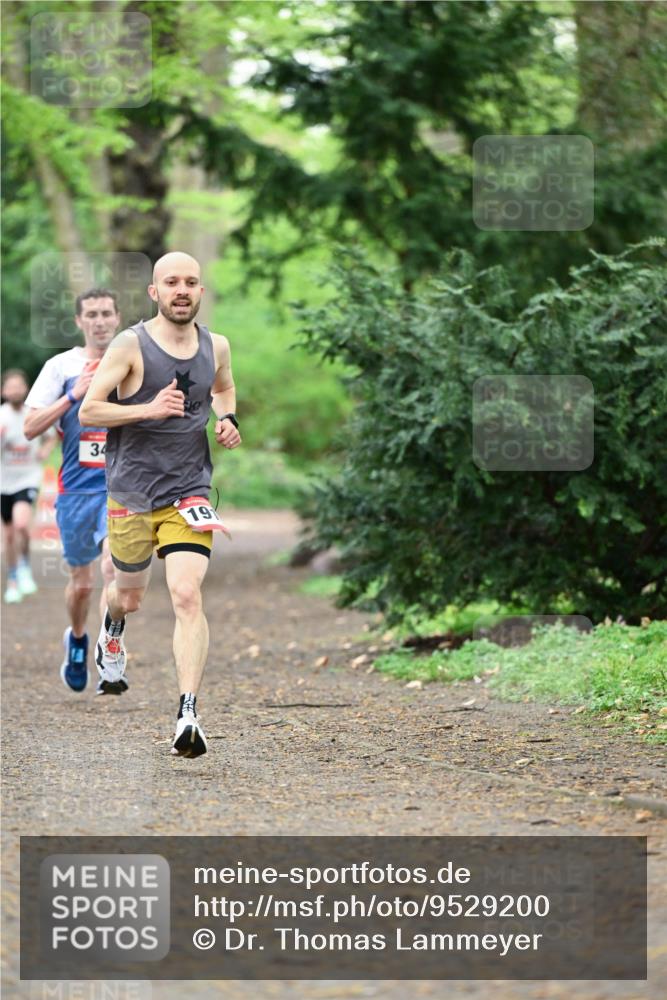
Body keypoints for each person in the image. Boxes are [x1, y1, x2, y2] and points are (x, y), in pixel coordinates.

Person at [79, 251, 241, 758]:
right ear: (155, 291)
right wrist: (147, 409)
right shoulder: (131, 344)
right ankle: (113, 628)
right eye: (171, 281)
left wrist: (230, 420)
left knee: (187, 594)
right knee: (127, 596)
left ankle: (187, 712)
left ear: (200, 291)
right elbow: (90, 409)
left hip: (188, 490)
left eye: (191, 282)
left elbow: (225, 388)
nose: (182, 290)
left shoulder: (216, 345)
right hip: (130, 491)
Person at [24, 288, 121, 692]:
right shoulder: (60, 366)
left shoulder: (134, 361)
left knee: (113, 568)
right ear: (80, 321)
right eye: (92, 314)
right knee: (82, 585)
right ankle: (78, 638)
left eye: (106, 313)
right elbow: (30, 427)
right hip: (76, 492)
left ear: (118, 319)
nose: (100, 320)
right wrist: (72, 396)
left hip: (121, 488)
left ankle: (110, 650)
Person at [1, 369, 54, 603]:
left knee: (22, 523)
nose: (15, 390)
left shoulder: (33, 414)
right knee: (10, 535)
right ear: (4, 391)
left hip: (28, 477)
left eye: (18, 386)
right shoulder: (1, 417)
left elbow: (52, 435)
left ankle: (23, 568)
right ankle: (13, 578)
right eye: (10, 386)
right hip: (4, 481)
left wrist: (45, 449)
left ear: (26, 389)